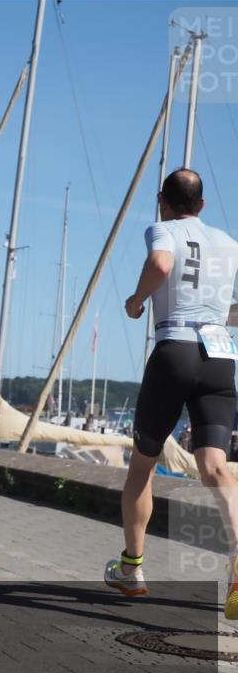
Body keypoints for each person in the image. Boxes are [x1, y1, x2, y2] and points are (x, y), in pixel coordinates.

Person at [105, 169, 238, 619]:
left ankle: (132, 569)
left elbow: (161, 265)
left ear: (162, 200)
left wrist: (136, 300)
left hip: (175, 349)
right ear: (202, 205)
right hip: (220, 356)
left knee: (143, 463)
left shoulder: (163, 229)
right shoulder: (229, 243)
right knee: (215, 466)